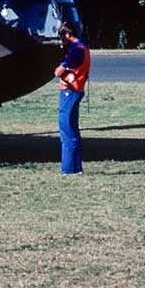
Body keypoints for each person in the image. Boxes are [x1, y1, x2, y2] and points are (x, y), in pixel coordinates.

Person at [53, 21, 91, 174]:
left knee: (66, 131)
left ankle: (68, 169)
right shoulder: (83, 48)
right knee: (73, 129)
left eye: (63, 36)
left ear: (68, 35)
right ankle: (77, 167)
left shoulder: (76, 51)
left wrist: (60, 66)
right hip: (77, 90)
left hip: (70, 91)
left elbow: (58, 71)